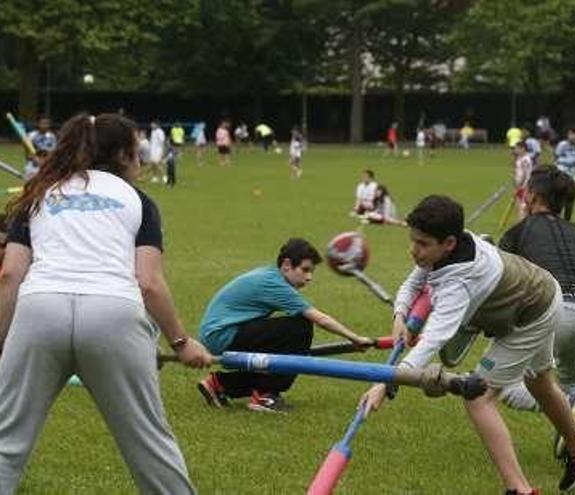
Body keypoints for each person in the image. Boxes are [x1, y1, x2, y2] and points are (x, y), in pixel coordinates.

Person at [0, 113, 214, 493]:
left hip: (39, 311)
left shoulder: (36, 195)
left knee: (5, 443)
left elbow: (10, 275)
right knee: (151, 446)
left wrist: (3, 339)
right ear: (119, 155)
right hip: (114, 314)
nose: (141, 161)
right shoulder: (139, 201)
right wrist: (182, 342)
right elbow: (148, 282)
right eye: (136, 152)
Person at [360, 195, 575, 494]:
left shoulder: (458, 283)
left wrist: (384, 384)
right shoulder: (448, 249)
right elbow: (414, 283)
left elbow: (434, 340)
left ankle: (519, 489)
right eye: (413, 241)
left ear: (449, 243)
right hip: (543, 292)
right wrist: (400, 315)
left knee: (478, 396)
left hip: (532, 314)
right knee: (538, 381)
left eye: (422, 244)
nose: (414, 250)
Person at [497, 168, 575, 450]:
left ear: (533, 195)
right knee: (573, 376)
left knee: (501, 384)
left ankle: (567, 406)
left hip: (552, 312)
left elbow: (504, 284)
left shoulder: (517, 232)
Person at [196, 238, 373, 412]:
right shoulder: (274, 284)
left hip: (219, 335)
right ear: (287, 264)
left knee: (278, 354)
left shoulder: (269, 274)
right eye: (305, 270)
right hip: (222, 337)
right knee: (300, 328)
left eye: (311, 272)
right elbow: (320, 319)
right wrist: (355, 338)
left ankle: (219, 384)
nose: (309, 277)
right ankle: (266, 395)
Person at [554, 128, 575, 220]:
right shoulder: (562, 145)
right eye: (571, 134)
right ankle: (556, 221)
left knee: (570, 203)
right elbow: (555, 160)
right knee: (558, 201)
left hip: (573, 179)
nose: (572, 136)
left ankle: (567, 221)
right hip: (561, 177)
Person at [24, 116, 56, 180]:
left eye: (47, 124)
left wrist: (44, 161)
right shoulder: (31, 136)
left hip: (46, 166)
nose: (45, 126)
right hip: (32, 166)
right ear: (38, 124)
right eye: (43, 123)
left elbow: (52, 152)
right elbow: (28, 153)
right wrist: (35, 158)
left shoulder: (51, 137)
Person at [513, 141, 534, 219]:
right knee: (519, 205)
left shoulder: (525, 160)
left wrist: (519, 186)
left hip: (524, 186)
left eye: (517, 148)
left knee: (522, 206)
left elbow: (525, 174)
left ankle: (522, 222)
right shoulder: (519, 158)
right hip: (520, 185)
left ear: (523, 149)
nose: (515, 150)